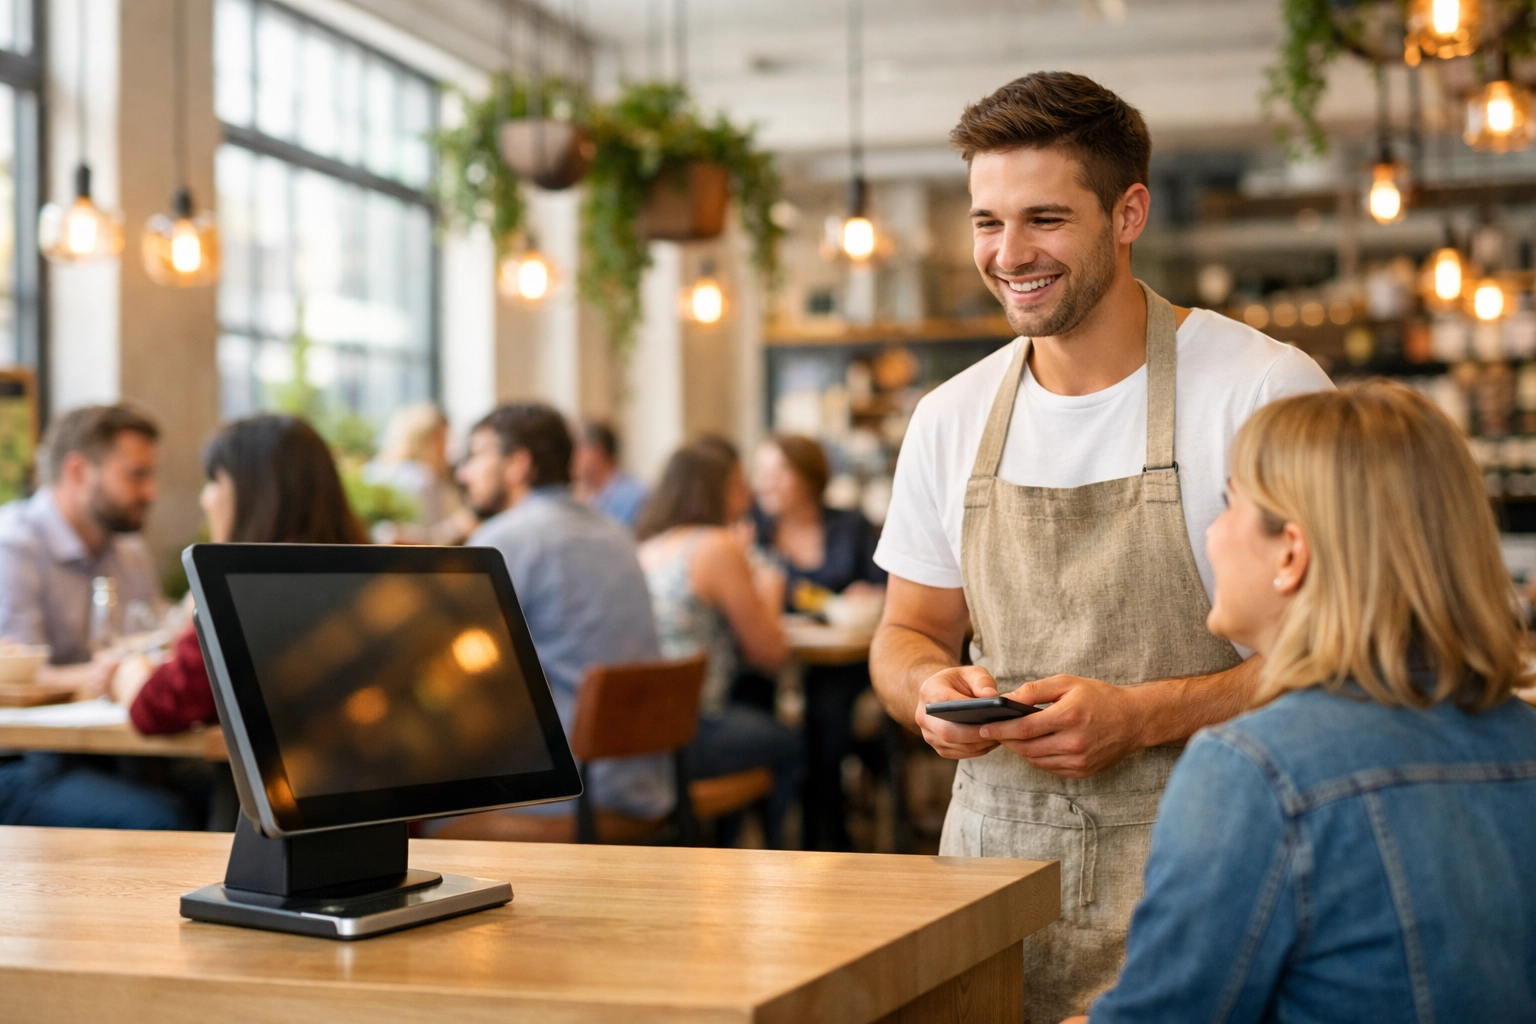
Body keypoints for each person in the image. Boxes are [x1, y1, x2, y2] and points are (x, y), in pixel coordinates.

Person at [866, 72, 1332, 1021]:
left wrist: (1145, 716)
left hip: (1208, 879)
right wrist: (927, 692)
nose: (1009, 254)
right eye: (987, 221)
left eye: (1045, 219)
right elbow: (905, 631)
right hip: (989, 887)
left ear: (1128, 213)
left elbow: (1340, 657)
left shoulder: (1263, 390)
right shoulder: (950, 417)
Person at [1079, 383, 1536, 1023]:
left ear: (1291, 552)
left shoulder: (1253, 771)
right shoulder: (1524, 738)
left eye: (1228, 505)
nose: (1212, 535)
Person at [453, 403, 667, 820]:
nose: (464, 473)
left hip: (572, 793)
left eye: (476, 455)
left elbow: (456, 667)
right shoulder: (616, 531)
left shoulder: (503, 539)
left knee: (423, 813)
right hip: (645, 780)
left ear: (518, 464)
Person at [0, 404, 183, 830]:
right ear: (80, 471)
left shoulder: (127, 550)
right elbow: (16, 677)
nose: (151, 491)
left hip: (113, 752)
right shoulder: (14, 546)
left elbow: (158, 644)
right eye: (136, 475)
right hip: (24, 760)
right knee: (160, 818)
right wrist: (116, 673)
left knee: (228, 796)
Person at [128, 415, 368, 735]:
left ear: (254, 493)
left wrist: (127, 674)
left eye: (215, 481)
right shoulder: (365, 575)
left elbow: (156, 708)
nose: (206, 499)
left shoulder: (255, 590)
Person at [636, 442, 801, 848]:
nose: (747, 499)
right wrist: (770, 589)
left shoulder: (645, 548)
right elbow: (769, 652)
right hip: (692, 729)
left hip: (637, 733)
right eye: (738, 486)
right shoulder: (715, 545)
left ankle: (724, 856)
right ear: (715, 491)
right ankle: (770, 863)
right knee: (794, 744)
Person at [751, 434, 887, 851]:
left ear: (809, 478)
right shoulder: (754, 533)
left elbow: (890, 585)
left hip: (846, 660)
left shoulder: (851, 526)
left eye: (779, 472)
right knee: (752, 695)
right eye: (761, 473)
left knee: (826, 704)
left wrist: (871, 595)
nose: (765, 483)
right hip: (778, 659)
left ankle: (826, 838)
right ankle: (770, 840)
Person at [362, 403, 472, 544]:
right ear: (429, 440)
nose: (448, 448)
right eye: (444, 439)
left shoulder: (373, 471)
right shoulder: (423, 478)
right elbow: (428, 537)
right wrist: (459, 526)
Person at [572, 420, 649, 529]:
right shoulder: (586, 498)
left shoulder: (636, 497)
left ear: (596, 453)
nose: (571, 459)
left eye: (577, 451)